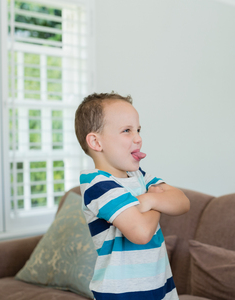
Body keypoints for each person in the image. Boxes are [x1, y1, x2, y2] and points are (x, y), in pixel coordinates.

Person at [75, 92, 190, 300]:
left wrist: (149, 199)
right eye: (126, 131)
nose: (138, 138)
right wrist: (157, 199)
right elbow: (141, 233)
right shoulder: (96, 184)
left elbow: (183, 202)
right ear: (96, 142)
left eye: (138, 130)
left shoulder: (139, 176)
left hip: (160, 288)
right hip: (122, 294)